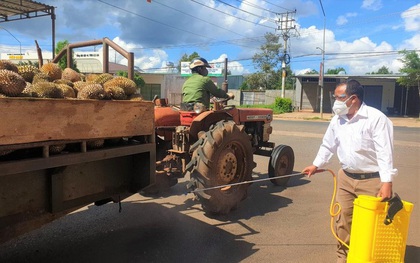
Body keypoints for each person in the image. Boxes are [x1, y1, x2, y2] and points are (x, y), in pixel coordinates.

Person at [302, 79, 397, 263]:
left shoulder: (376, 118)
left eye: (340, 97)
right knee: (343, 219)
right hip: (346, 178)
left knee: (372, 224)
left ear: (353, 98)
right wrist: (316, 164)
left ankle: (370, 257)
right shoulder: (338, 120)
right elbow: (328, 145)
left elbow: (385, 152)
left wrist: (387, 182)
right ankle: (343, 257)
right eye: (335, 97)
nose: (336, 101)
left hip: (372, 181)